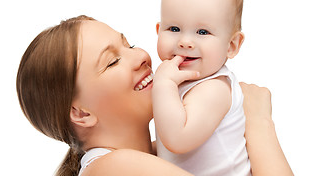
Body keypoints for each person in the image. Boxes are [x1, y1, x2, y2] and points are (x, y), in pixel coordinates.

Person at [16, 15, 293, 176]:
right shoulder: (114, 168)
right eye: (112, 62)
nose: (141, 56)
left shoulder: (160, 155)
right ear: (81, 113)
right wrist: (258, 122)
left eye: (130, 45)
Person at [153, 0, 247, 175]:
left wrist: (163, 85)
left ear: (231, 45)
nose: (185, 42)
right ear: (159, 31)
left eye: (202, 32)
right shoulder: (179, 80)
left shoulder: (214, 89)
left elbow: (177, 139)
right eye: (174, 29)